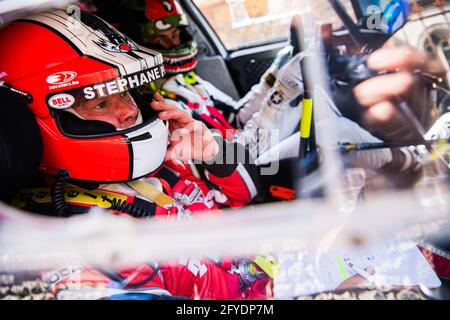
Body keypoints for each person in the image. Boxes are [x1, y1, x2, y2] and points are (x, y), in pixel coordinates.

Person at [0, 9, 269, 300]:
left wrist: (213, 153)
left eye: (125, 93)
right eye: (100, 103)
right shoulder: (65, 238)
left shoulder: (161, 157)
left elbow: (245, 194)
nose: (129, 111)